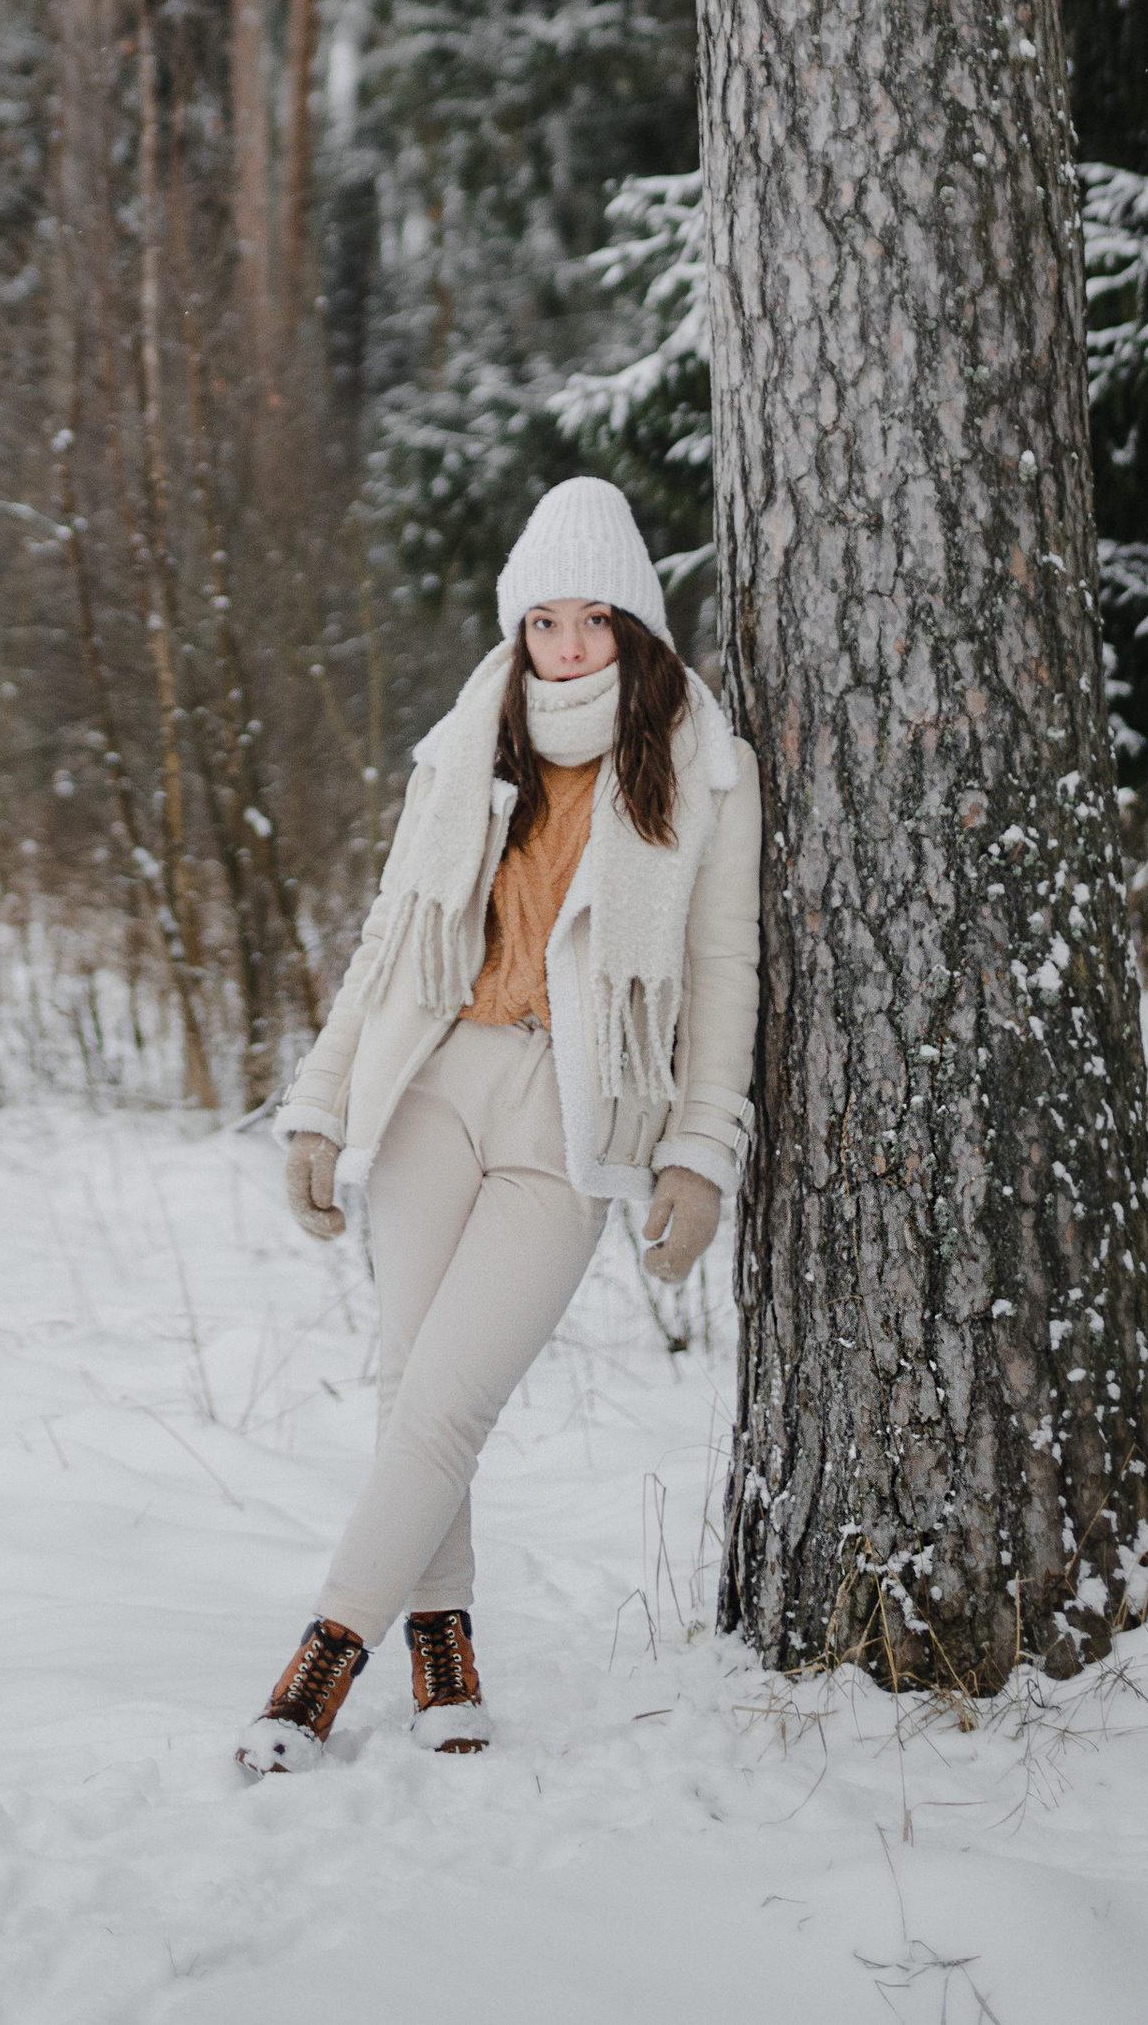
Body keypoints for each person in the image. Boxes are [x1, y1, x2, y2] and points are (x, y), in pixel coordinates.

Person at [238, 475, 761, 1773]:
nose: (568, 648)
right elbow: (390, 940)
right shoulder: (470, 738)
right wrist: (320, 1105)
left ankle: (321, 1662)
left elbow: (726, 970)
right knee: (411, 1391)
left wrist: (702, 1152)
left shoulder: (702, 761)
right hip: (433, 1086)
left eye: (593, 622)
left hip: (575, 1114)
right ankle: (442, 1647)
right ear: (516, 629)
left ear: (635, 627)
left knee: (446, 1404)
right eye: (545, 623)